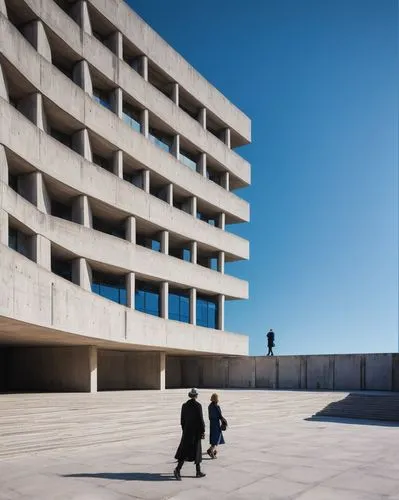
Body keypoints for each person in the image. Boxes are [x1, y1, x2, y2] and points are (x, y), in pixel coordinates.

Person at [174, 388, 206, 480]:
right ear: (196, 396)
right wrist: (202, 431)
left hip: (187, 432)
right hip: (196, 432)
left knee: (184, 452)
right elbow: (200, 419)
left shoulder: (184, 405)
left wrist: (185, 430)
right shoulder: (198, 405)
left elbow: (182, 420)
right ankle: (197, 471)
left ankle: (179, 469)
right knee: (197, 451)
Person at [207, 393, 227, 459]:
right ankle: (211, 451)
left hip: (212, 423)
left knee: (214, 437)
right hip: (216, 423)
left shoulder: (210, 406)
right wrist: (223, 421)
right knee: (216, 437)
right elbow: (219, 415)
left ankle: (213, 450)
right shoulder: (216, 406)